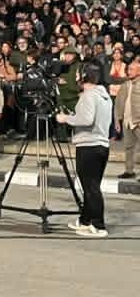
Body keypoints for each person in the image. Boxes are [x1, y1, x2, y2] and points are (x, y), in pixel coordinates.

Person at [56, 63, 112, 237]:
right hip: (101, 145)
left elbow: (87, 119)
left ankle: (98, 225)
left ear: (83, 77)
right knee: (91, 186)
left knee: (91, 187)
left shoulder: (88, 95)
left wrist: (66, 118)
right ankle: (85, 220)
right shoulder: (105, 96)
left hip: (89, 146)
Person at [114, 60, 140, 179]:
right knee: (128, 146)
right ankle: (129, 170)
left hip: (138, 121)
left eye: (131, 69)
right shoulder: (125, 85)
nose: (129, 72)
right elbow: (118, 103)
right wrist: (117, 120)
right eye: (128, 69)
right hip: (127, 121)